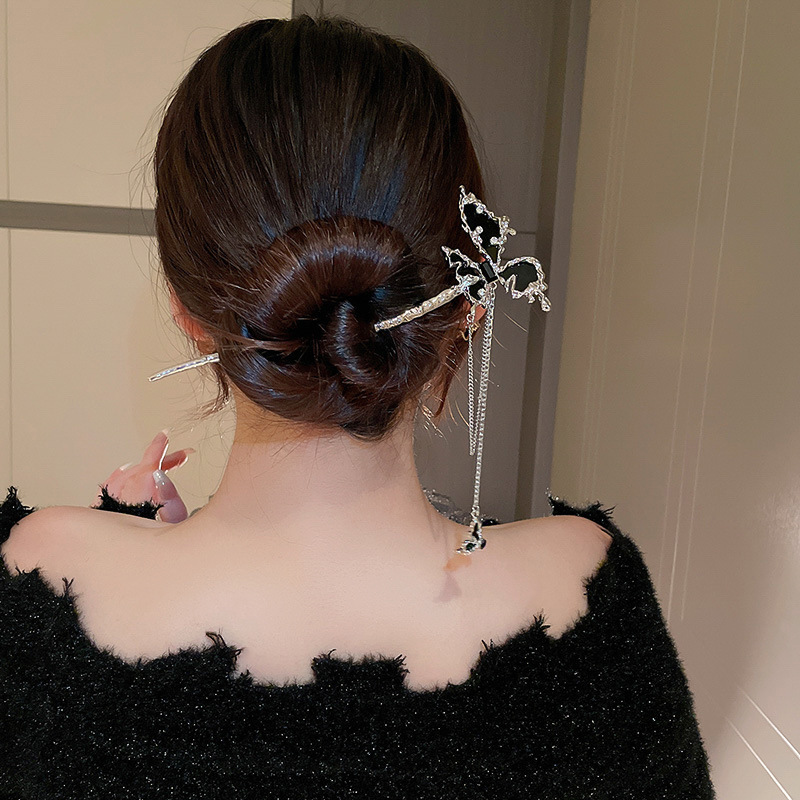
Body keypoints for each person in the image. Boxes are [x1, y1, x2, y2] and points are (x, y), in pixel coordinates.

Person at [0, 14, 715, 799]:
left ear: (186, 308)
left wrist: (119, 552)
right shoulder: (584, 594)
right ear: (466, 307)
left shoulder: (38, 578)